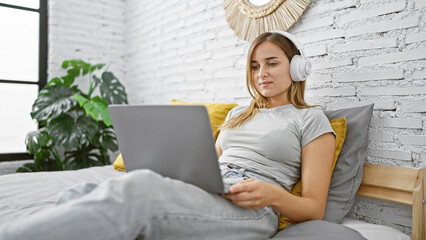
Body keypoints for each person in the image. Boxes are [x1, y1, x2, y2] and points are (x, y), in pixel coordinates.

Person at [0, 31, 336, 240]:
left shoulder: (310, 120)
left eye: (272, 63)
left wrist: (270, 194)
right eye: (254, 66)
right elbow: (205, 164)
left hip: (255, 208)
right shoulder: (237, 114)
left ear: (296, 68)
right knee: (84, 191)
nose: (261, 73)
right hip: (213, 188)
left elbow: (314, 208)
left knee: (139, 191)